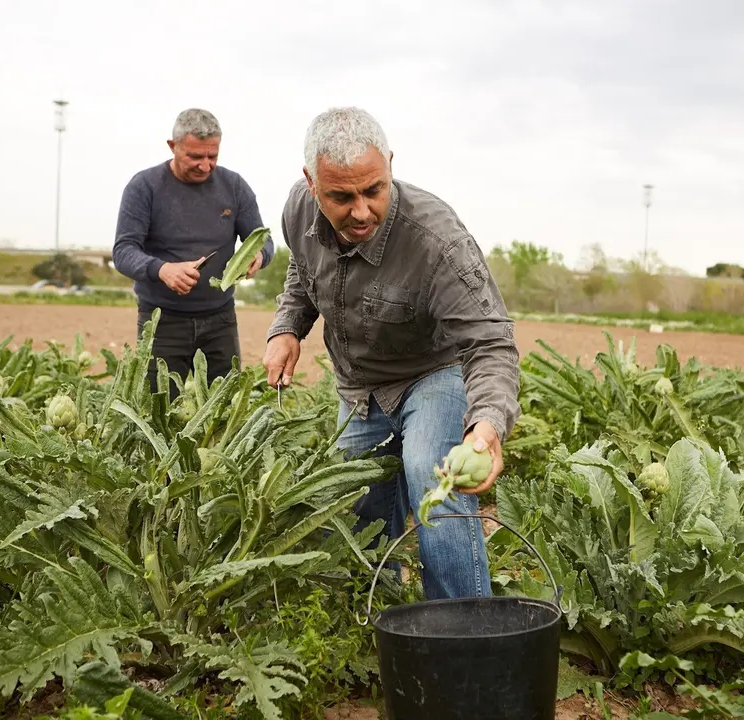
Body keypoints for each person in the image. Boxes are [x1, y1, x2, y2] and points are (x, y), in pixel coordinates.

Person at [262, 107, 520, 601]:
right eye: (342, 197)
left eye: (374, 190)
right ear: (312, 184)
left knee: (435, 475)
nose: (361, 211)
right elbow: (303, 269)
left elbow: (490, 341)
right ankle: (380, 615)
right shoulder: (297, 210)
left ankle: (464, 621)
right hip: (358, 387)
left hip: (433, 370)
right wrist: (288, 326)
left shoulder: (437, 241)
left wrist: (486, 424)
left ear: (390, 166)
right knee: (360, 503)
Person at [112, 108, 275, 394]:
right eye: (195, 157)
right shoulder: (144, 187)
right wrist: (163, 270)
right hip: (161, 322)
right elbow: (123, 251)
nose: (205, 165)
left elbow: (262, 240)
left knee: (225, 406)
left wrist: (258, 256)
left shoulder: (234, 187)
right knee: (158, 407)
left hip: (220, 320)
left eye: (213, 156)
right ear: (172, 146)